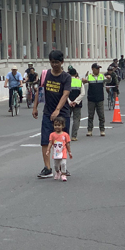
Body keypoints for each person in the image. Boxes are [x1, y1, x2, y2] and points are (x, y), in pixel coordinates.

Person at [32, 50, 72, 179]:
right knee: (45, 140)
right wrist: (35, 107)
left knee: (62, 141)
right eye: (52, 62)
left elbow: (66, 94)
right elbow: (39, 91)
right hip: (48, 113)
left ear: (62, 62)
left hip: (62, 114)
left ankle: (61, 167)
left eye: (57, 62)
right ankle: (48, 168)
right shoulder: (45, 74)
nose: (54, 65)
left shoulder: (66, 77)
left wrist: (58, 109)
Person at [83, 63, 106, 139]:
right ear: (93, 69)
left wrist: (109, 78)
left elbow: (108, 80)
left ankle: (102, 130)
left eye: (99, 68)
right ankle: (89, 130)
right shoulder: (89, 76)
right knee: (90, 116)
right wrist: (84, 81)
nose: (98, 70)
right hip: (91, 99)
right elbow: (83, 81)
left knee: (101, 115)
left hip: (100, 99)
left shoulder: (101, 76)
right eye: (97, 68)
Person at [46, 117, 72, 181]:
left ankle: (63, 174)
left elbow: (67, 144)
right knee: (55, 165)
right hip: (56, 153)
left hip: (63, 152)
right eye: (55, 125)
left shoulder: (65, 135)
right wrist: (48, 150)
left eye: (59, 125)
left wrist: (69, 152)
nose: (57, 127)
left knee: (63, 163)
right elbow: (50, 143)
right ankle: (58, 172)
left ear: (63, 126)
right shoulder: (52, 135)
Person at [66, 67, 85, 141]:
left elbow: (64, 93)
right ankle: (74, 136)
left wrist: (69, 101)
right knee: (76, 119)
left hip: (67, 104)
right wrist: (76, 101)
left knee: (66, 119)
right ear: (76, 74)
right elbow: (83, 93)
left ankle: (65, 135)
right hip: (77, 104)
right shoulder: (79, 82)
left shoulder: (67, 82)